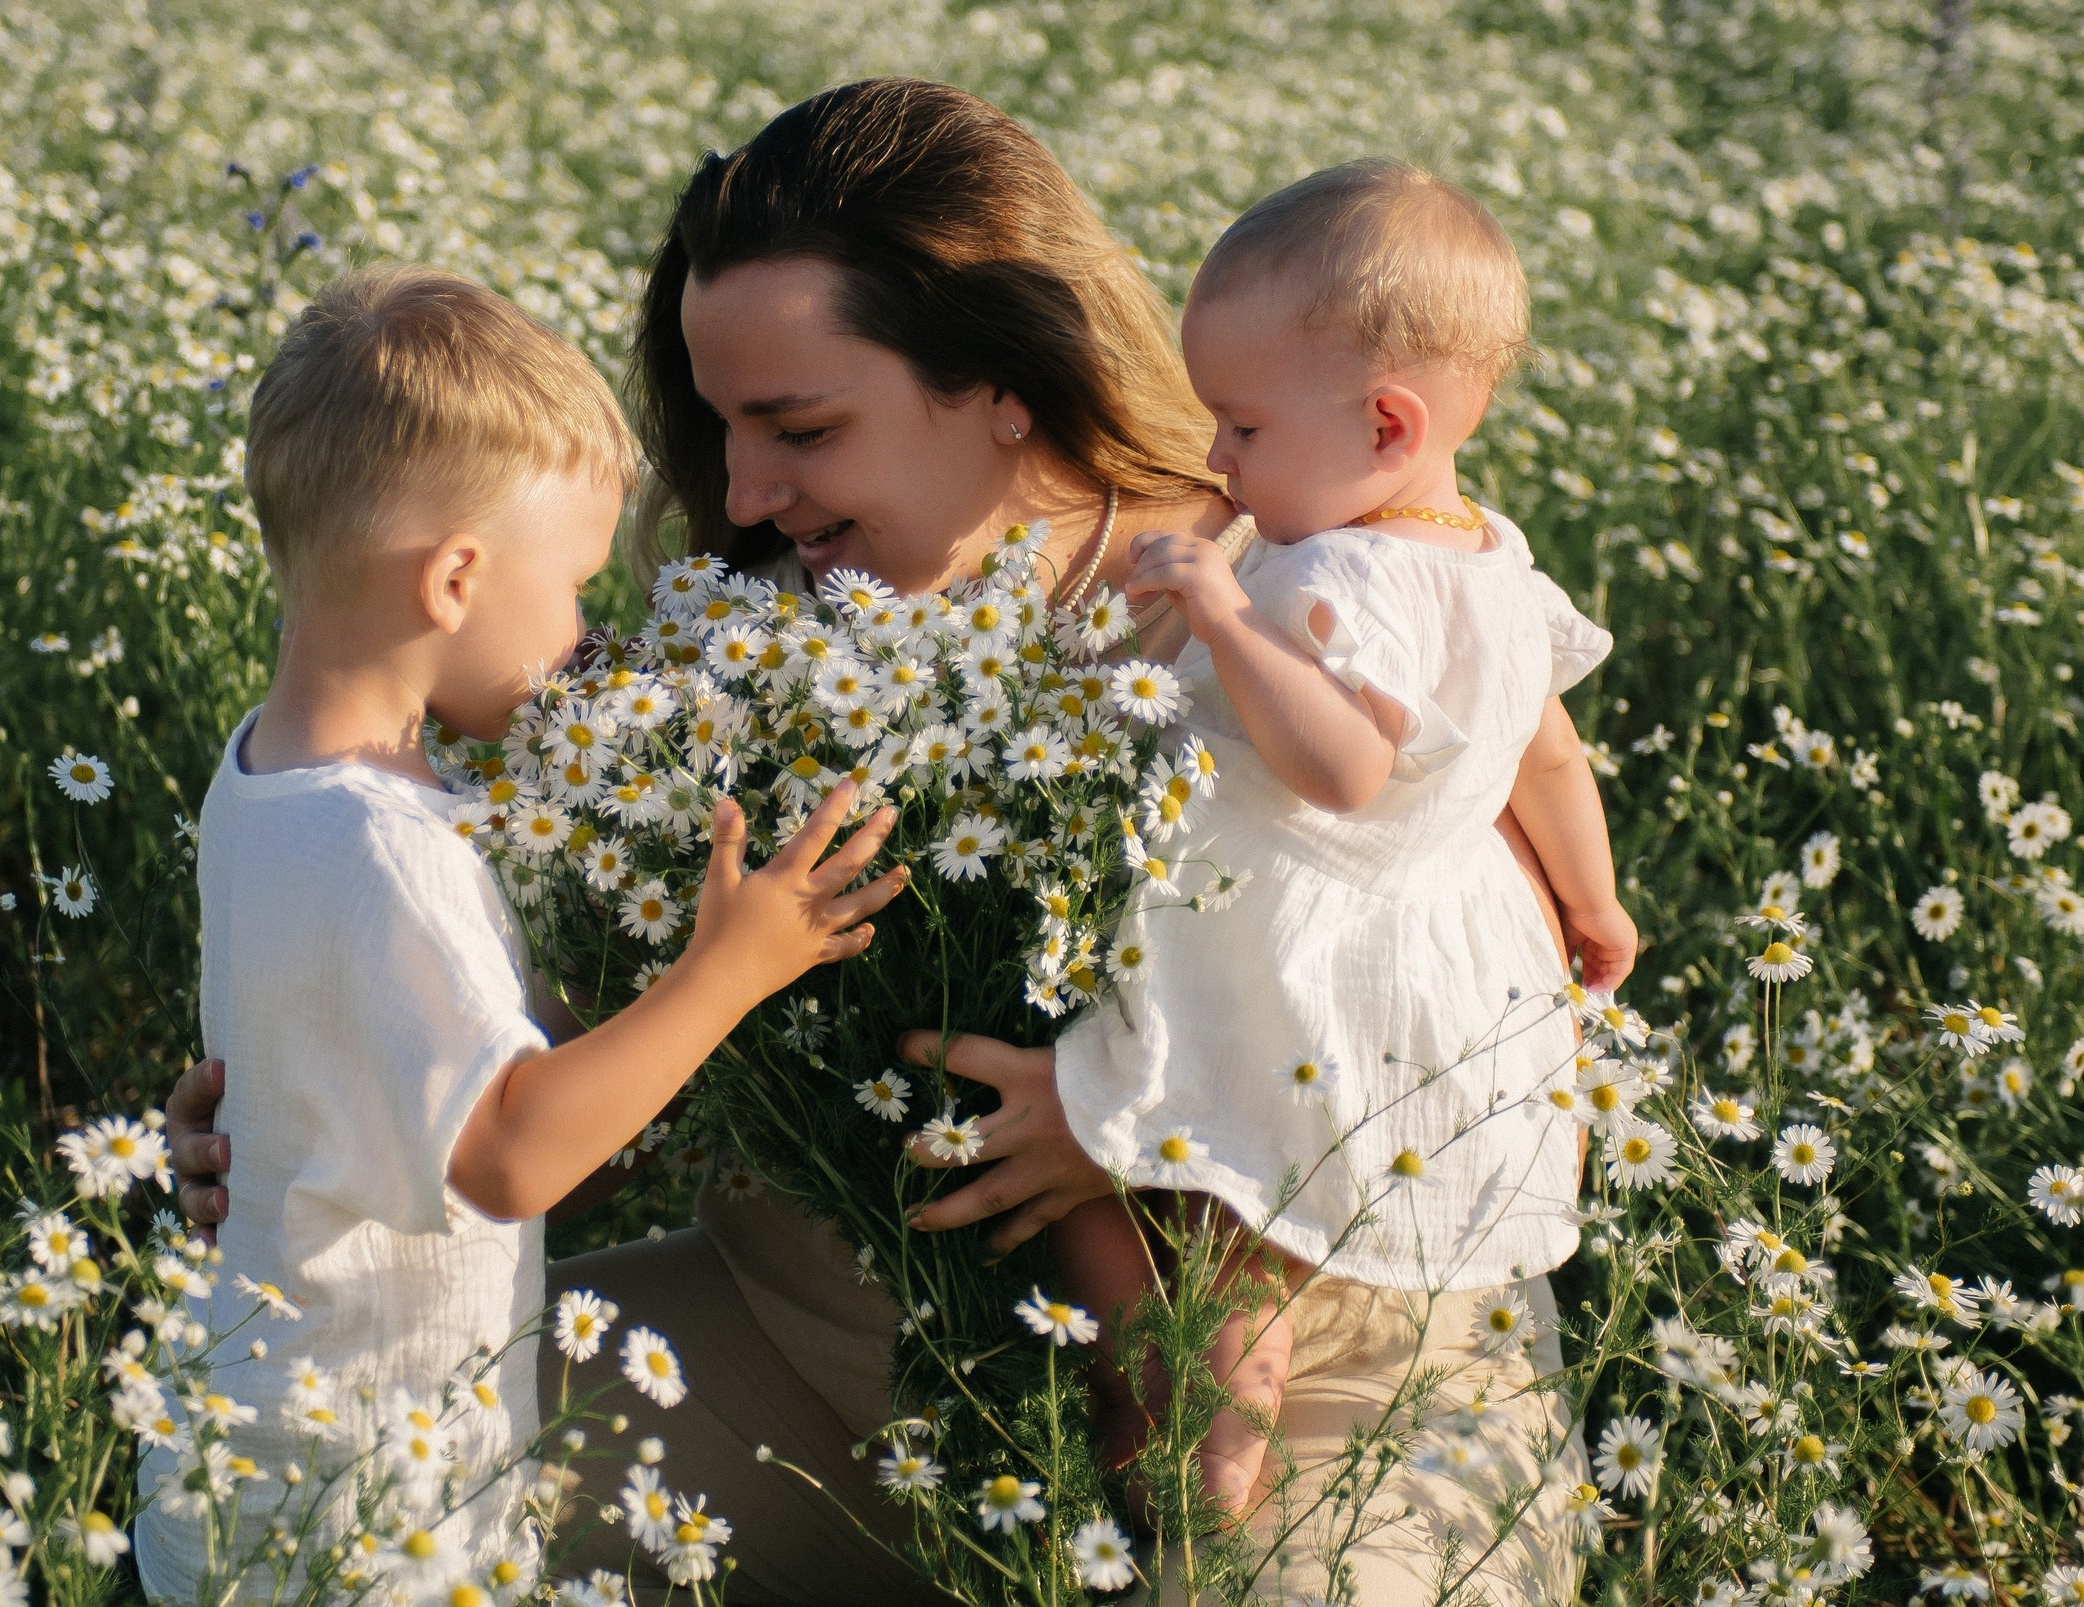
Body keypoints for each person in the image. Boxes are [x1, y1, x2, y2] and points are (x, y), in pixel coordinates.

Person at [166, 81, 1585, 1604]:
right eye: (720, 431)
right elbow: (615, 1039)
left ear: (1001, 381)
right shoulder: (760, 625)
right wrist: (359, 1116)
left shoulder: (1308, 593)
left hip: (1303, 1384)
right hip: (809, 1347)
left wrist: (1128, 1116)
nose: (747, 493)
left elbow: (1490, 1011)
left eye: (800, 427)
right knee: (317, 1520)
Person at [132, 264, 905, 1603]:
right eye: (574, 590)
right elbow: (507, 1154)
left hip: (251, 1449)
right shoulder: (391, 848)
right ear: (456, 580)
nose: (586, 636)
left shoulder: (264, 774)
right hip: (370, 1499)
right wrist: (727, 972)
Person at [1054, 159, 1627, 1596]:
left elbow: (1341, 763)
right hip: (1435, 944)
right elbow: (1547, 760)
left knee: (1230, 1186)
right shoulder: (1491, 559)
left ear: (1386, 424)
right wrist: (1597, 898)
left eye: (1242, 426)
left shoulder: (1342, 578)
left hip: (1309, 934)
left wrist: (1219, 609)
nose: (1223, 461)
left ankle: (1217, 1423)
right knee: (1272, 1177)